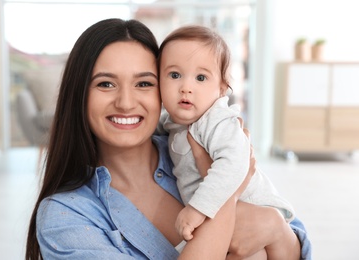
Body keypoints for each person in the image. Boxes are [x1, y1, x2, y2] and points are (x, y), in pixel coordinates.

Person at [25, 18, 311, 259]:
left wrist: (274, 226)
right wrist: (227, 202)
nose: (126, 102)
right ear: (79, 94)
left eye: (144, 83)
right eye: (106, 84)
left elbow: (293, 242)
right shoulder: (65, 217)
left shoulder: (192, 145)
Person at [158, 25, 300, 259]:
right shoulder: (173, 121)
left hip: (253, 208)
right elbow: (160, 125)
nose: (186, 87)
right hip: (225, 215)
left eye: (201, 78)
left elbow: (235, 164)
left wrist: (197, 209)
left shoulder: (217, 120)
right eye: (174, 75)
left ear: (222, 88)